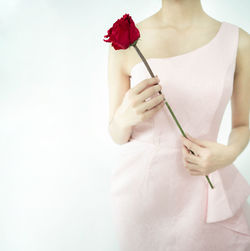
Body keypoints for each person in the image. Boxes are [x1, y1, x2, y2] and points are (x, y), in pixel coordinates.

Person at [107, 0, 250, 250]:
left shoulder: (239, 42)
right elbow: (117, 134)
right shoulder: (126, 47)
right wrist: (123, 116)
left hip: (206, 186)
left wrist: (226, 154)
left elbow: (242, 124)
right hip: (143, 196)